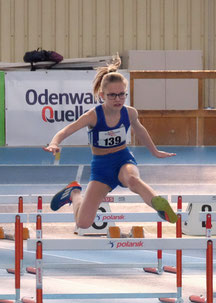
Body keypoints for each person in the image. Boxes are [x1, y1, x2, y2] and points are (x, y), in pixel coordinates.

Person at [43, 54, 178, 229]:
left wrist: (154, 151)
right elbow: (66, 130)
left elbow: (140, 130)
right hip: (102, 167)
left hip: (123, 159)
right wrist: (54, 143)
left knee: (132, 179)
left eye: (122, 95)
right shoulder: (93, 116)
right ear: (102, 95)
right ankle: (74, 193)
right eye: (112, 95)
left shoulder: (130, 113)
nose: (118, 99)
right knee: (83, 223)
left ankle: (159, 205)